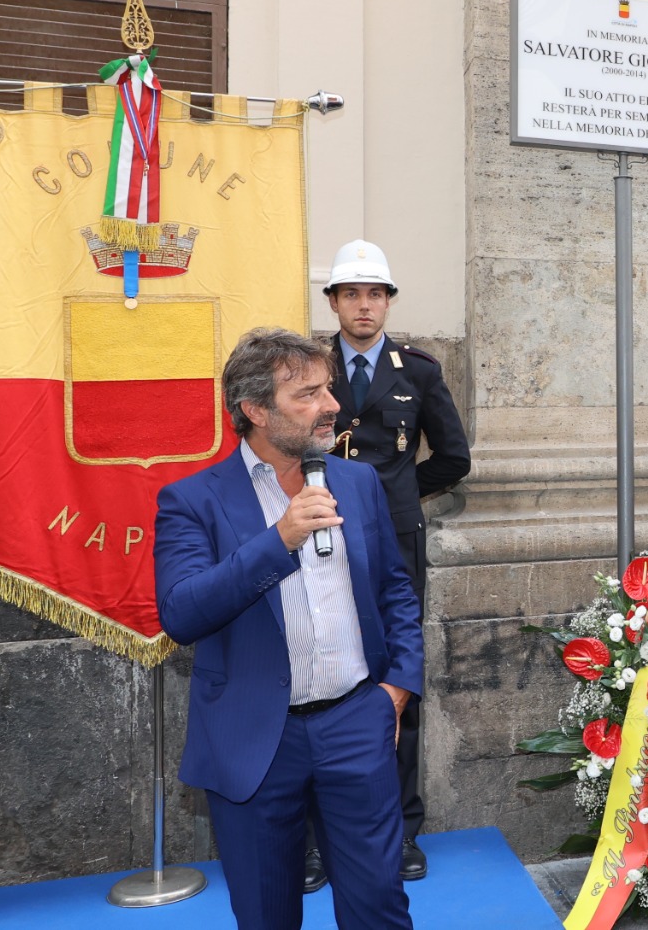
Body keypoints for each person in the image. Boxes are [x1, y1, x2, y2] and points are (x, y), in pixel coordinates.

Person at [154, 328, 423, 930]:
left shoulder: (357, 481)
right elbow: (181, 612)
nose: (331, 405)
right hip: (254, 741)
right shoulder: (193, 500)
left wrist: (396, 690)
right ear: (255, 411)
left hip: (357, 721)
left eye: (327, 389)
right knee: (267, 913)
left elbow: (395, 590)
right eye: (308, 395)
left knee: (380, 906)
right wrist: (279, 541)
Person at [314, 239, 470, 887]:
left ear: (388, 301)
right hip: (318, 536)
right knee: (319, 676)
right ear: (334, 302)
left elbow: (454, 458)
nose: (364, 306)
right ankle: (319, 839)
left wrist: (395, 493)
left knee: (396, 678)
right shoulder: (307, 366)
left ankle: (404, 831)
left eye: (374, 293)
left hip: (395, 541)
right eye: (351, 293)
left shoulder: (419, 371)